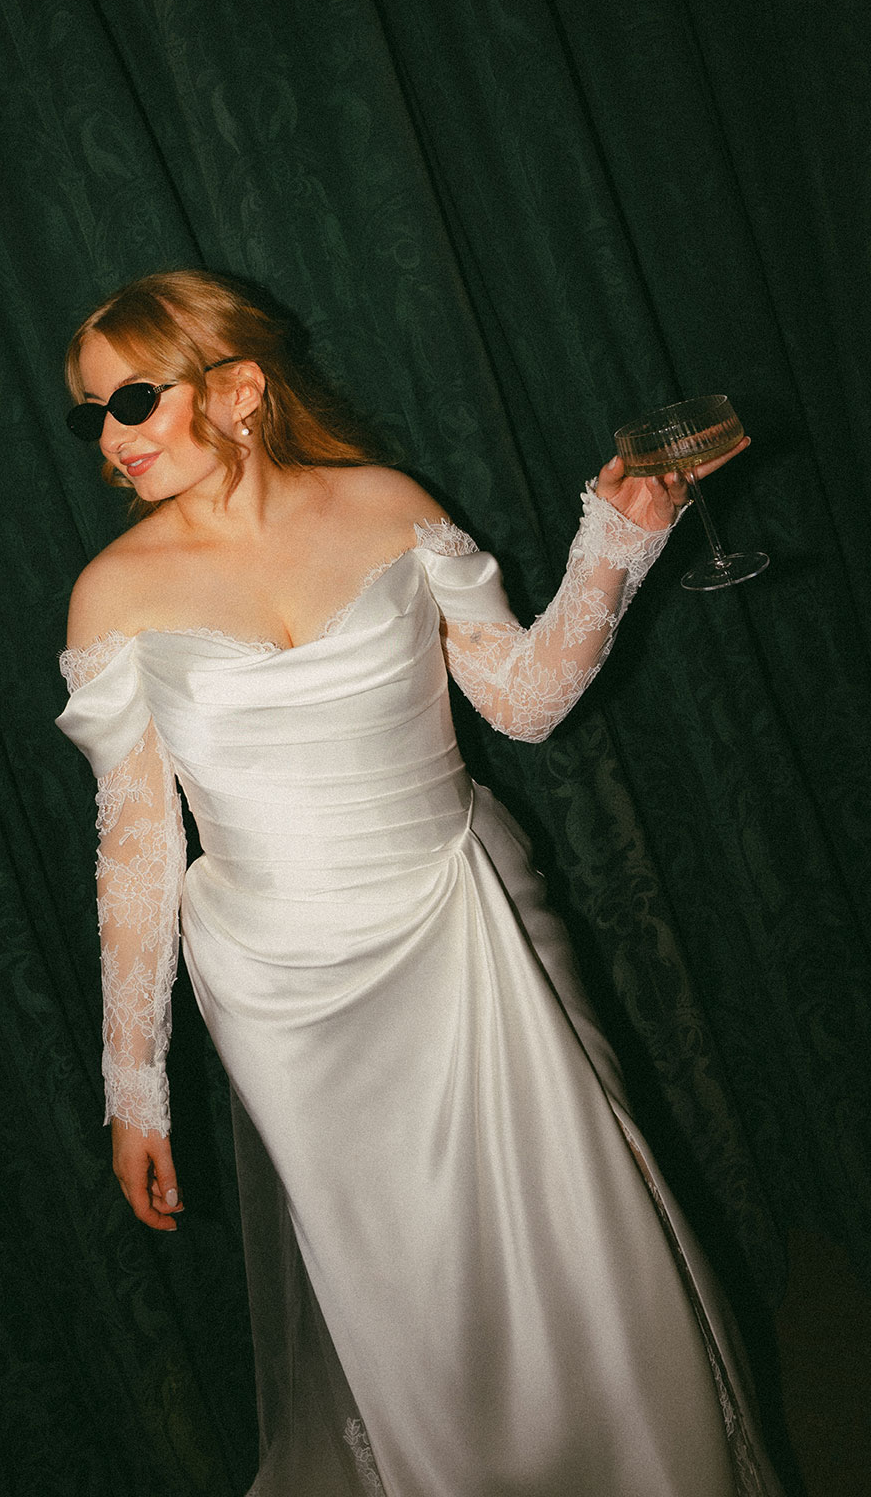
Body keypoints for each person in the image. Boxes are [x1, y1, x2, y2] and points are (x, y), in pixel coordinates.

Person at [56, 269, 783, 1497]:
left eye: (133, 401)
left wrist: (618, 542)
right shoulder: (113, 592)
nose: (110, 438)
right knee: (408, 1292)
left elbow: (525, 702)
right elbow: (135, 849)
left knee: (573, 1233)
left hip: (464, 922)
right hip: (287, 996)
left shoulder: (387, 505)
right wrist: (136, 1091)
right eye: (90, 415)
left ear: (238, 390)